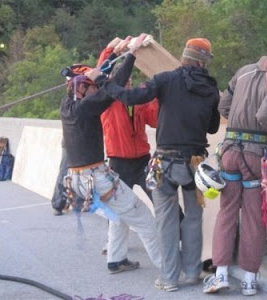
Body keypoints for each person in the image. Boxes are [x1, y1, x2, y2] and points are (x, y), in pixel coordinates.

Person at [88, 37, 220, 292]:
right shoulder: (211, 89)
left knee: (166, 220)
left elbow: (131, 96)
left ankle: (170, 279)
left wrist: (103, 81)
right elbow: (213, 126)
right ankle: (192, 272)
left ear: (183, 57)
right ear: (204, 62)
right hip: (195, 162)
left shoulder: (166, 80)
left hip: (165, 163)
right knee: (193, 217)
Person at [202, 30, 267, 296]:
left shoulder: (244, 71)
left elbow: (223, 107)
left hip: (230, 150)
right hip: (256, 154)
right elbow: (265, 115)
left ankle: (221, 274)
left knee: (226, 213)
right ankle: (249, 280)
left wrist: (237, 118)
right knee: (253, 218)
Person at [60, 34, 161, 274]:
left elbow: (105, 82)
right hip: (97, 175)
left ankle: (116, 259)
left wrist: (115, 54)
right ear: (82, 87)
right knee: (144, 218)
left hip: (84, 177)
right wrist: (132, 55)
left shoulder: (67, 105)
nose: (96, 90)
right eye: (92, 87)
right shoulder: (86, 108)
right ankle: (169, 270)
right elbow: (114, 85)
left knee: (120, 214)